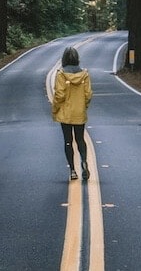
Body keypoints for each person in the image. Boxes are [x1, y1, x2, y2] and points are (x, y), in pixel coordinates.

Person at [51, 46, 92, 181]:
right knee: (80, 139)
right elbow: (88, 94)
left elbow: (60, 94)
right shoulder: (85, 74)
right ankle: (84, 161)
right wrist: (83, 106)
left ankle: (73, 170)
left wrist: (55, 108)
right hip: (79, 112)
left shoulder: (61, 74)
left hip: (66, 113)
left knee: (68, 141)